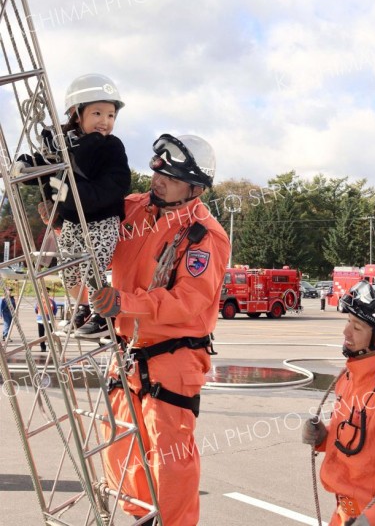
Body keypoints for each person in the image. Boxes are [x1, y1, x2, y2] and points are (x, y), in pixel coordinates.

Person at [90, 134, 230, 525]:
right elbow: (89, 220)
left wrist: (124, 302)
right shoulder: (134, 210)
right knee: (120, 444)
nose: (158, 180)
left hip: (173, 356)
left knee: (169, 457)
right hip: (128, 352)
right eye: (158, 170)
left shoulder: (204, 235)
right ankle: (141, 518)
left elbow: (188, 300)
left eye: (170, 175)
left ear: (195, 188)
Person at [14, 74, 131, 338]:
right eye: (97, 113)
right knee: (68, 270)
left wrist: (73, 194)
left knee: (93, 266)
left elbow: (117, 183)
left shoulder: (111, 147)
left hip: (101, 218)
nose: (105, 121)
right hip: (72, 221)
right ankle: (82, 309)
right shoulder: (64, 143)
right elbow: (47, 164)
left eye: (111, 115)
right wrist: (25, 166)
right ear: (77, 114)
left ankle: (102, 316)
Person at [302, 281, 375, 526]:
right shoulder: (349, 378)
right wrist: (323, 437)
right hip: (345, 514)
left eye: (356, 327)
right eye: (347, 322)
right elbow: (359, 439)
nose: (346, 333)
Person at [35, 288, 57, 352]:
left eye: (47, 292)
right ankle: (42, 347)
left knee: (50, 334)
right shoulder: (39, 301)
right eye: (43, 292)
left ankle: (51, 346)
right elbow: (36, 309)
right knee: (41, 335)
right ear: (41, 294)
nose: (45, 293)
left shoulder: (51, 301)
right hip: (40, 320)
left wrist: (52, 315)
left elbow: (55, 309)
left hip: (49, 320)